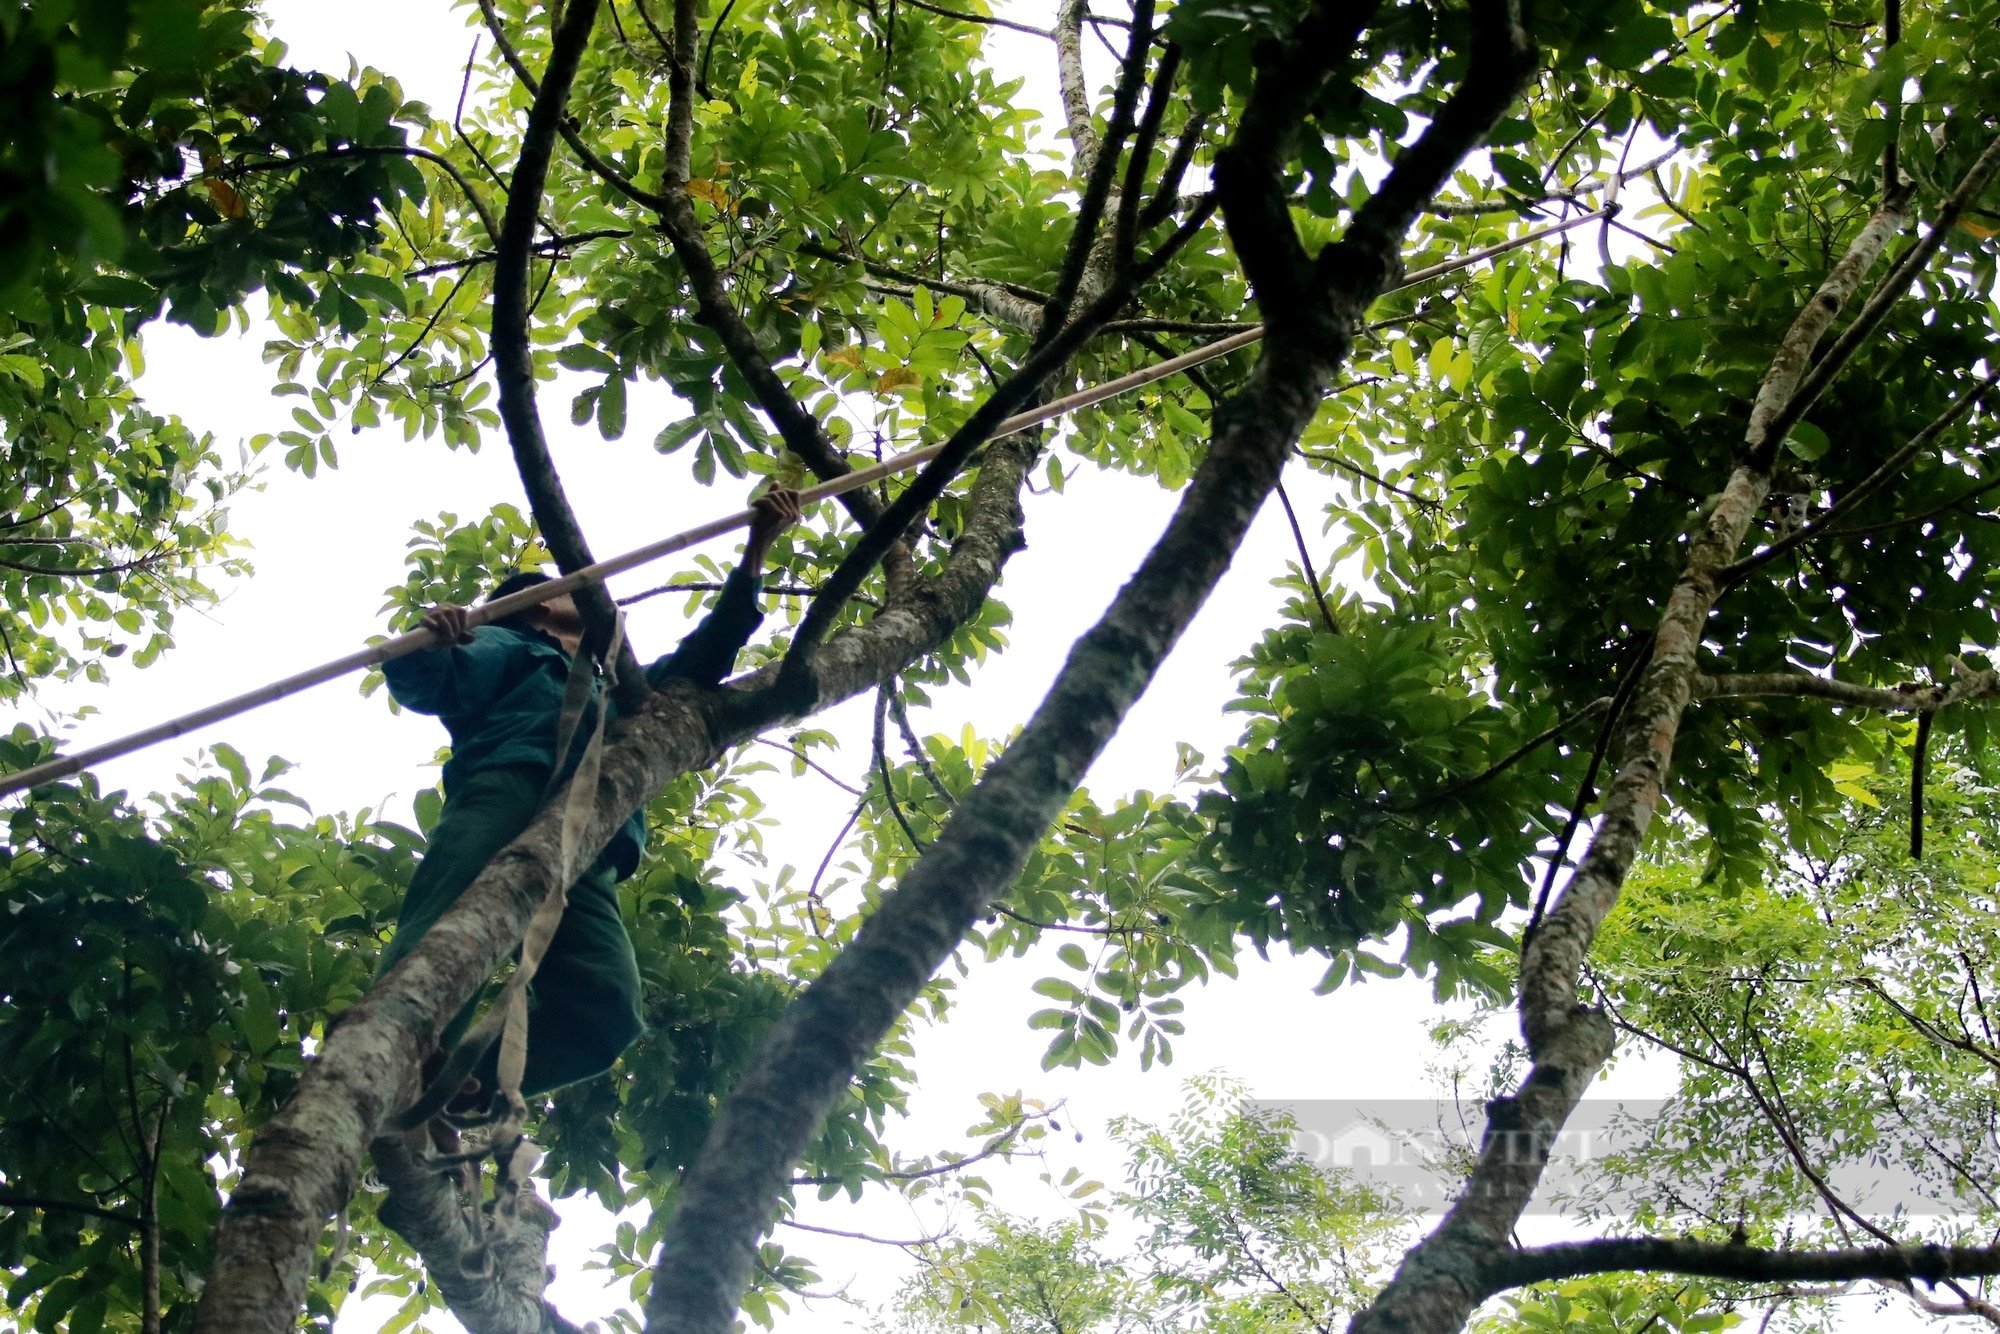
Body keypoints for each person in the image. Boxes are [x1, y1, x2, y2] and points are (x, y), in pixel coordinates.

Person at [376, 488, 802, 1104]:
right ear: (536, 611)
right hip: (511, 785)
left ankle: (462, 1088)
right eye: (561, 590)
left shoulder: (619, 692)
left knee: (606, 1009)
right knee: (450, 916)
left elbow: (705, 656)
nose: (584, 596)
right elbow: (430, 677)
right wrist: (437, 638)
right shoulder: (514, 646)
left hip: (591, 835)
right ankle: (398, 1045)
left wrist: (758, 549)